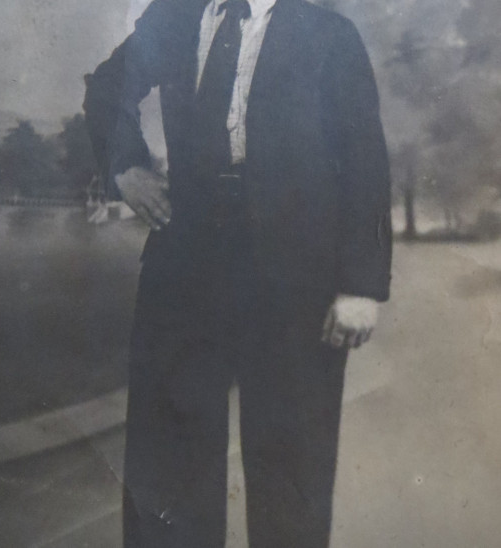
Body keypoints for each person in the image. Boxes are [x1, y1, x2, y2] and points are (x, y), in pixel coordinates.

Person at [85, 0, 392, 545]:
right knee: (168, 466)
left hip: (296, 278)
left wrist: (360, 286)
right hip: (185, 267)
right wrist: (124, 166)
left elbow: (364, 159)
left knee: (292, 471)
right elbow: (107, 87)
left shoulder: (329, 35)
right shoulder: (175, 16)